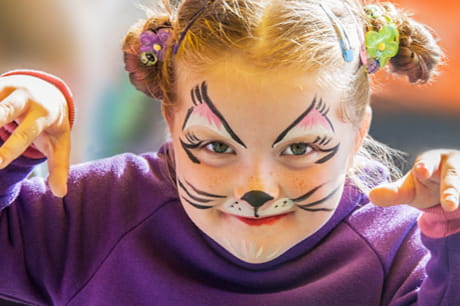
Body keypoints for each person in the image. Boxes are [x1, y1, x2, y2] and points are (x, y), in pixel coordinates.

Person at [0, 0, 459, 305]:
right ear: (172, 119)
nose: (256, 187)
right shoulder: (97, 214)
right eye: (216, 146)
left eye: (299, 148)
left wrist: (454, 235)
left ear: (358, 133)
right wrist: (9, 136)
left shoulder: (401, 246)